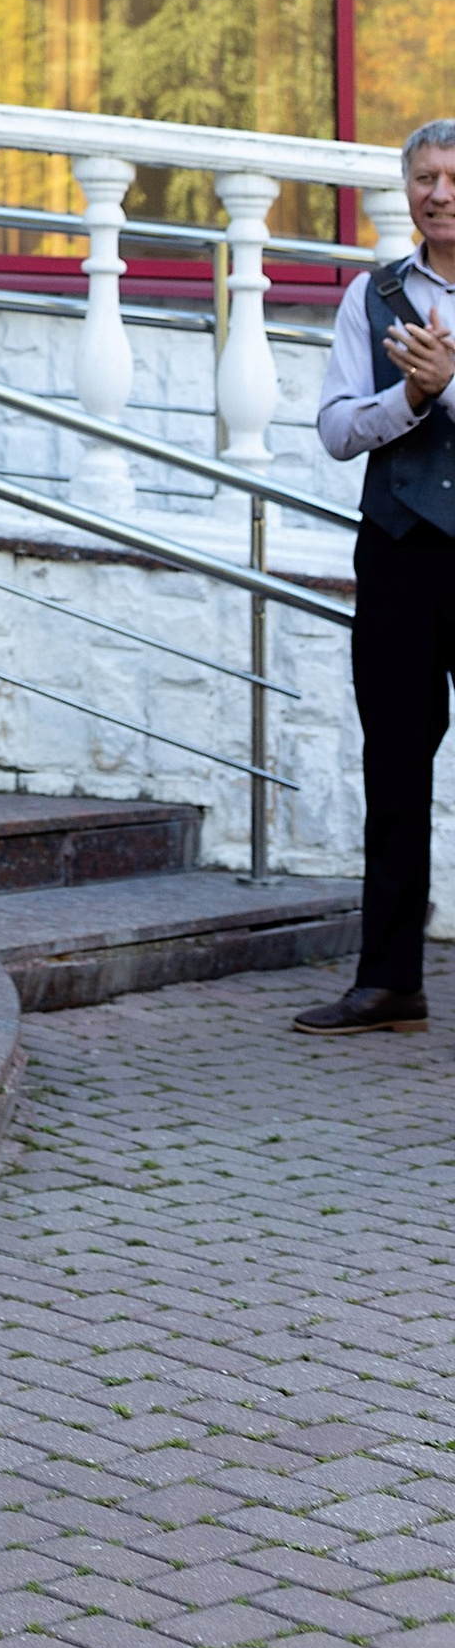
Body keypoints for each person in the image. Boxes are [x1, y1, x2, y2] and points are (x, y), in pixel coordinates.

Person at [296, 118, 455, 1036]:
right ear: (407, 190)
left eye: (453, 177)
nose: (439, 194)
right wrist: (413, 395)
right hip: (398, 555)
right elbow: (335, 428)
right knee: (393, 765)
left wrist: (450, 382)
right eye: (424, 177)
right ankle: (390, 982)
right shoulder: (374, 294)